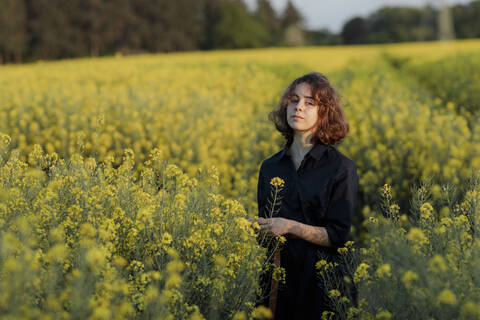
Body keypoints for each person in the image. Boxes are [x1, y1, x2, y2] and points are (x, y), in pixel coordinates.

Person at [254, 72, 359, 319]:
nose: (298, 107)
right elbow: (268, 232)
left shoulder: (341, 168)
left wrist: (289, 226)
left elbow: (338, 234)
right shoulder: (270, 167)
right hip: (278, 279)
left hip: (324, 283)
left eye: (309, 102)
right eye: (293, 100)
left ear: (325, 113)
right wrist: (258, 228)